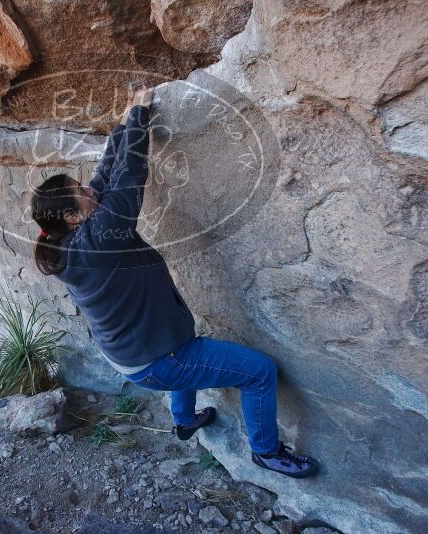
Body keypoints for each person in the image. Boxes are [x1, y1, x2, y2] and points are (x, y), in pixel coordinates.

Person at [30, 86, 319, 478]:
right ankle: (266, 452)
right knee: (259, 372)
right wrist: (140, 115)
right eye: (79, 192)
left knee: (185, 350)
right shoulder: (98, 241)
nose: (88, 188)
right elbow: (128, 178)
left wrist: (121, 125)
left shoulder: (72, 239)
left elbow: (104, 177)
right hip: (157, 361)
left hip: (142, 354)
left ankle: (184, 421)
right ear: (71, 216)